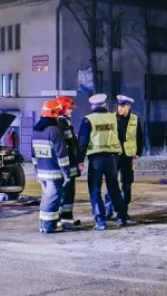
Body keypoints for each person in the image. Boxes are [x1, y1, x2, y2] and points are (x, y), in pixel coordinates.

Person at [77, 93, 128, 230]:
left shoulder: (88, 120)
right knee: (114, 188)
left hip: (95, 160)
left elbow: (82, 142)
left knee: (95, 190)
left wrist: (80, 160)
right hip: (112, 159)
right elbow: (122, 137)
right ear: (104, 104)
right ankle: (122, 217)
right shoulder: (114, 118)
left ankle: (100, 220)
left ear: (92, 106)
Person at [32, 100, 72, 234]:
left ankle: (44, 225)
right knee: (53, 200)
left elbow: (33, 155)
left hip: (42, 173)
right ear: (54, 114)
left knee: (46, 199)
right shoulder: (54, 131)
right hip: (54, 173)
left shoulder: (36, 130)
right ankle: (49, 226)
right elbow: (62, 155)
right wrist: (66, 173)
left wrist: (36, 171)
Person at [104, 95, 144, 221]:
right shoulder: (111, 118)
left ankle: (123, 212)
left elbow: (140, 137)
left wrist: (138, 152)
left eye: (123, 106)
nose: (120, 109)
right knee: (111, 184)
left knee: (126, 184)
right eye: (119, 106)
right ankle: (108, 210)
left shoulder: (135, 119)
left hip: (127, 156)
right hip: (114, 155)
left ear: (128, 107)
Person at [56, 95, 81, 226]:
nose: (71, 111)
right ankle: (61, 218)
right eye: (69, 108)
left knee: (69, 192)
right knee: (65, 192)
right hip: (65, 167)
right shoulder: (59, 124)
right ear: (62, 109)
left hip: (70, 166)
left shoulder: (65, 123)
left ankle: (67, 216)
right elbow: (62, 148)